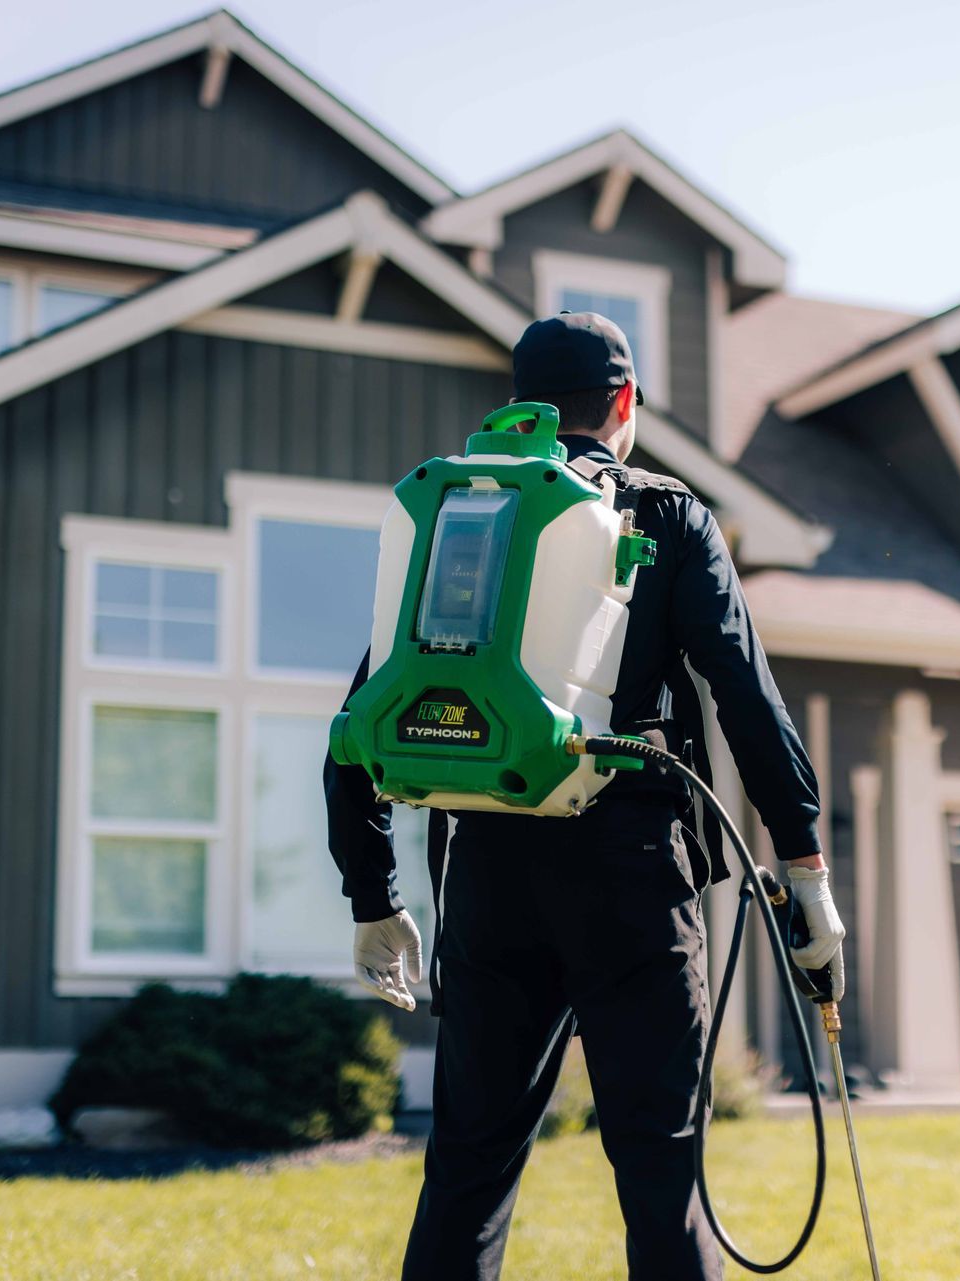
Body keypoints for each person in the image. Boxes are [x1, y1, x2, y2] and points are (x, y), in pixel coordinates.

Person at [324, 311, 846, 1280]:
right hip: (632, 880)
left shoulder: (464, 514)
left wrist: (372, 894)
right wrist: (805, 865)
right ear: (626, 403)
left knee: (468, 1172)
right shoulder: (667, 513)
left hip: (485, 871)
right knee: (661, 1175)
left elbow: (367, 709)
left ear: (521, 403)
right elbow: (746, 696)